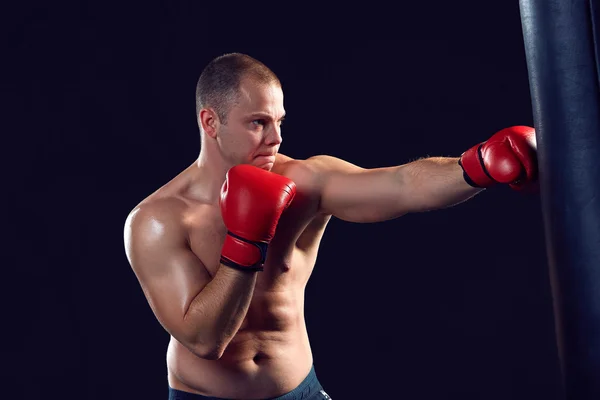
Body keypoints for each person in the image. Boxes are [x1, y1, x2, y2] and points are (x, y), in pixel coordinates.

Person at [123, 52, 538, 399]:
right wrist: (246, 239)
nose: (276, 138)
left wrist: (477, 165)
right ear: (211, 123)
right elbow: (204, 340)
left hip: (298, 389)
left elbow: (400, 184)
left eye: (279, 122)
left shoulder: (303, 182)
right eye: (257, 123)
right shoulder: (157, 220)